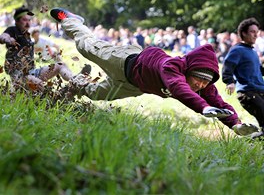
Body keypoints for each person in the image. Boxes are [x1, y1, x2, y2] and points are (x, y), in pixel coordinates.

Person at [50, 7, 260, 136]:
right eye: (198, 80)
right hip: (122, 61)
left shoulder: (203, 87)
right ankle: (72, 21)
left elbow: (220, 104)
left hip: (132, 87)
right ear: (189, 70)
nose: (200, 86)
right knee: (85, 46)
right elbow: (178, 87)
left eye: (205, 83)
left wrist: (235, 124)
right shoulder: (172, 66)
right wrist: (203, 108)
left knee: (94, 94)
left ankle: (67, 80)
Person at [0, 6, 74, 91]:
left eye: (29, 20)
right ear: (17, 21)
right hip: (19, 76)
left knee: (61, 65)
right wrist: (8, 40)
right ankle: (53, 98)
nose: (28, 23)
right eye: (24, 20)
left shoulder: (27, 35)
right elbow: (3, 36)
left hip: (32, 72)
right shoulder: (13, 30)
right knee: (39, 85)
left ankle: (75, 82)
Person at [222, 17, 264, 139]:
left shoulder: (253, 51)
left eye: (257, 32)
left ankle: (255, 139)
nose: (256, 35)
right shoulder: (237, 50)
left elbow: (260, 70)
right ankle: (253, 140)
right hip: (248, 93)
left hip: (261, 90)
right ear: (243, 33)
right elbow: (227, 66)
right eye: (252, 32)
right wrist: (229, 81)